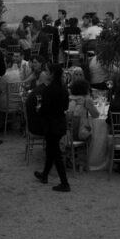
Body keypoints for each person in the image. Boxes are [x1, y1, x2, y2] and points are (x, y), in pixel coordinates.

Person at [34, 63, 70, 192]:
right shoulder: (63, 88)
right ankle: (44, 175)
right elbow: (66, 107)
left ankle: (65, 183)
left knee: (56, 154)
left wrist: (39, 109)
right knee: (51, 150)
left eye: (48, 71)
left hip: (51, 124)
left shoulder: (49, 90)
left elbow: (45, 109)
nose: (46, 73)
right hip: (60, 122)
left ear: (52, 74)